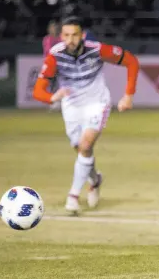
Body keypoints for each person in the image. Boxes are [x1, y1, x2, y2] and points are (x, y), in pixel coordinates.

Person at [33, 16, 140, 214]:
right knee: (81, 150)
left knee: (86, 144)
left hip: (97, 103)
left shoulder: (97, 50)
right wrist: (51, 97)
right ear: (61, 36)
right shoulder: (55, 55)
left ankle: (73, 196)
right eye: (66, 35)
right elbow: (38, 90)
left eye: (75, 35)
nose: (70, 39)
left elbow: (131, 62)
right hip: (72, 107)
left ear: (82, 35)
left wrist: (128, 95)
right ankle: (95, 179)